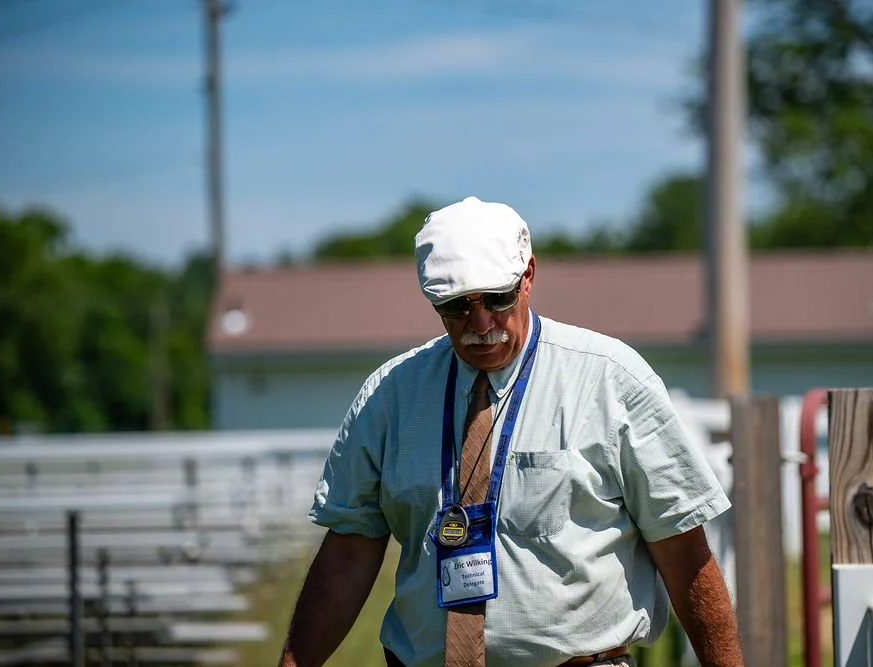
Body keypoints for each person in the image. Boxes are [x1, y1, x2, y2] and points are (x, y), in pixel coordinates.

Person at [279, 197, 744, 667]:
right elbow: (348, 552)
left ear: (528, 276)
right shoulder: (389, 397)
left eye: (497, 299)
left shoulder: (611, 379)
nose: (481, 324)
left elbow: (683, 550)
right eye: (456, 306)